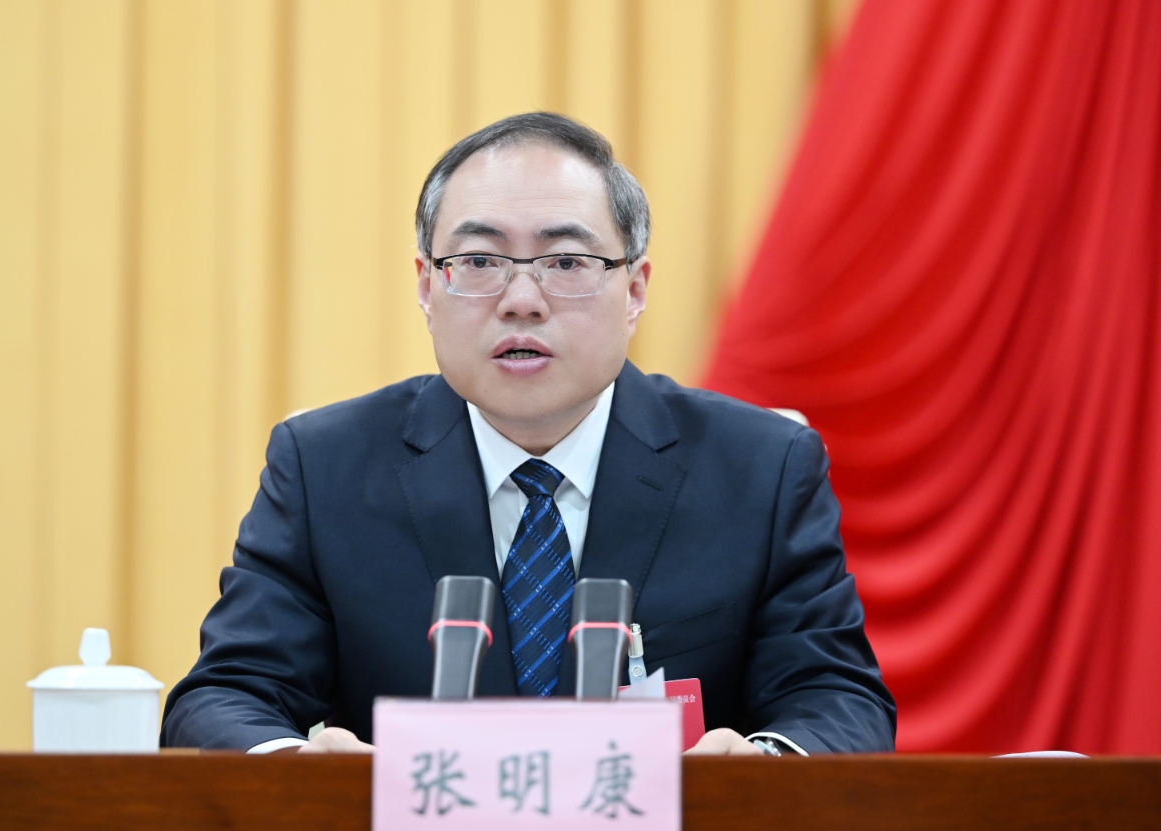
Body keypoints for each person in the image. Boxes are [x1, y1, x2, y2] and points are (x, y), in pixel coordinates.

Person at [161, 112, 895, 757]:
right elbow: (226, 693)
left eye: (566, 262)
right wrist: (299, 766)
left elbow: (839, 698)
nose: (520, 300)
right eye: (479, 261)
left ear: (635, 289)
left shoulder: (762, 468)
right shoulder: (323, 468)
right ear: (427, 285)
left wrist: (759, 765)